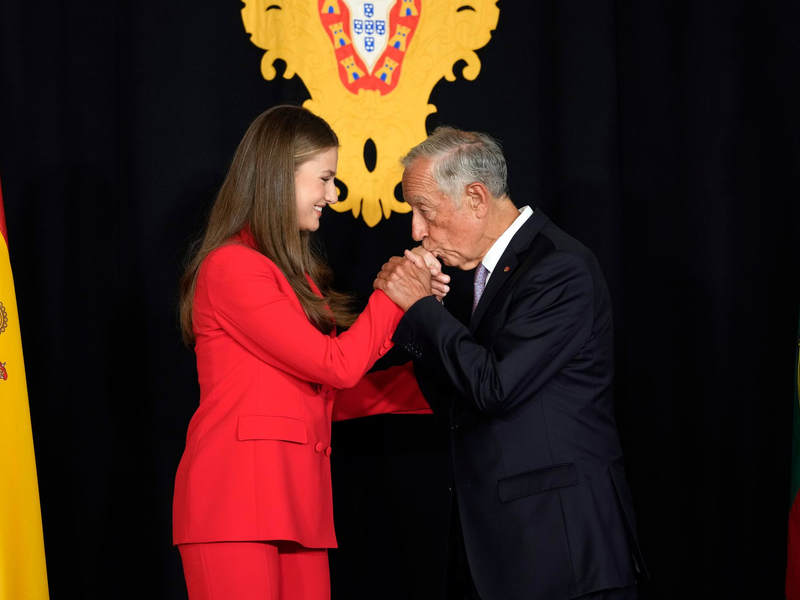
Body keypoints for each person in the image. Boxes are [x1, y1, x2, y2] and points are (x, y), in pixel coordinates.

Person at [173, 105, 441, 600]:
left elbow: (322, 394)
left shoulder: (294, 278)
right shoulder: (231, 267)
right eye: (324, 179)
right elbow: (333, 366)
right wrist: (395, 295)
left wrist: (440, 381)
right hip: (234, 506)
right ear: (279, 175)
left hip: (296, 506)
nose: (332, 195)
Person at [374, 127, 648, 600]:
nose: (415, 231)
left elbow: (495, 387)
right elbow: (458, 407)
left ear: (476, 198)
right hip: (502, 551)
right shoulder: (486, 276)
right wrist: (423, 316)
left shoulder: (560, 268)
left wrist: (420, 310)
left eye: (424, 210)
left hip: (563, 555)